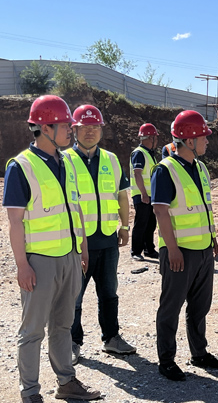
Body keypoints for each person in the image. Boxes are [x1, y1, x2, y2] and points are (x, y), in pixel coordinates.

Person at [3, 95, 101, 402]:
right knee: (32, 331)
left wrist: (82, 247)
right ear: (45, 128)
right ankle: (30, 392)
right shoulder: (21, 166)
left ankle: (66, 382)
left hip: (69, 257)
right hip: (40, 262)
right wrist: (22, 265)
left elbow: (75, 208)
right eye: (65, 125)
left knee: (63, 325)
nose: (71, 130)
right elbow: (15, 222)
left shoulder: (67, 162)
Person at [151, 110, 218, 381]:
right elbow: (160, 211)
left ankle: (199, 353)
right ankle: (166, 360)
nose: (207, 140)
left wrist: (212, 237)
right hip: (180, 252)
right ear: (189, 140)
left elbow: (204, 207)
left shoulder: (201, 168)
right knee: (170, 308)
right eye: (203, 136)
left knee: (200, 306)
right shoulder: (165, 170)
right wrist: (172, 249)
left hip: (203, 249)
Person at [64, 105, 136, 365]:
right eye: (84, 127)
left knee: (109, 292)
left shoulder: (111, 160)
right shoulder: (64, 161)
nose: (90, 131)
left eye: (95, 127)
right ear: (74, 129)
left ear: (101, 130)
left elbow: (122, 196)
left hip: (107, 240)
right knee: (73, 296)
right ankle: (71, 342)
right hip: (76, 243)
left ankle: (111, 338)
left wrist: (125, 227)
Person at [130, 123, 159, 261]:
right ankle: (136, 251)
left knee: (151, 223)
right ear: (149, 138)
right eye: (155, 138)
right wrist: (143, 193)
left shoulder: (148, 154)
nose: (156, 141)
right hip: (143, 195)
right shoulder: (139, 153)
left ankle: (149, 249)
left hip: (150, 195)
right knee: (141, 223)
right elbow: (137, 174)